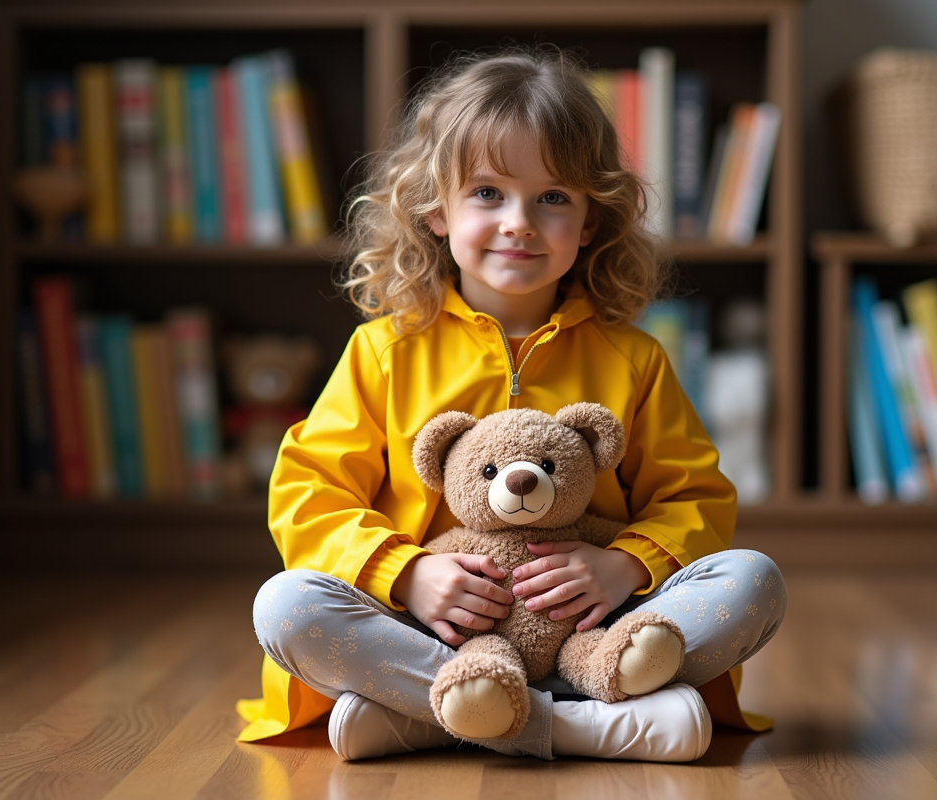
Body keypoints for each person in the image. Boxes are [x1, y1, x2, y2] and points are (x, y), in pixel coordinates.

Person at [240, 47, 786, 762]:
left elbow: (697, 499)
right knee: (286, 606)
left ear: (591, 222)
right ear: (436, 210)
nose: (520, 222)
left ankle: (430, 717)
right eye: (488, 193)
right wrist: (406, 572)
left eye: (553, 198)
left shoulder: (634, 359)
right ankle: (574, 724)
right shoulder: (384, 352)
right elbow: (307, 493)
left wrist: (624, 565)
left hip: (593, 630)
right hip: (425, 630)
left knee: (754, 582)